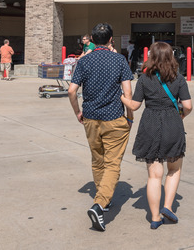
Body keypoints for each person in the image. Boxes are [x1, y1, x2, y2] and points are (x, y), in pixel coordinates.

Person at [68, 23, 134, 232]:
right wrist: (130, 117)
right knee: (112, 163)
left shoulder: (84, 61)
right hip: (114, 118)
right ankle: (99, 204)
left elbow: (71, 91)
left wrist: (78, 111)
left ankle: (103, 198)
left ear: (93, 40)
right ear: (111, 40)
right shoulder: (119, 60)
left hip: (90, 117)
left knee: (98, 160)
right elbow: (128, 92)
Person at [121, 41, 193, 229]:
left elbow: (135, 106)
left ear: (151, 57)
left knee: (154, 176)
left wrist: (121, 97)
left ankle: (154, 218)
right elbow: (188, 106)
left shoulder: (144, 79)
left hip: (150, 124)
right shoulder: (178, 78)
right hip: (172, 123)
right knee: (174, 169)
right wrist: (181, 117)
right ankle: (167, 206)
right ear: (171, 57)